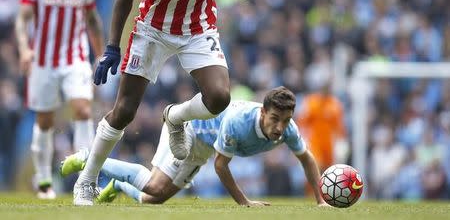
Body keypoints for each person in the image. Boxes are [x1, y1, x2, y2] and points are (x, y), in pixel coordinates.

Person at [72, 0, 259, 206]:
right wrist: (112, 47)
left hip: (198, 28)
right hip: (153, 30)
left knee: (219, 97)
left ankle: (175, 117)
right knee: (125, 111)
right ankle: (86, 181)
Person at [62, 87, 328, 206]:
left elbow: (306, 158)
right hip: (188, 129)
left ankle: (118, 185)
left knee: (154, 198)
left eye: (285, 120)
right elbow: (221, 166)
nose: (280, 127)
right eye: (275, 119)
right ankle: (88, 158)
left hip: (204, 146)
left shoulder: (288, 130)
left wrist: (320, 201)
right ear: (262, 112)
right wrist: (244, 202)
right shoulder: (238, 122)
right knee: (155, 185)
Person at [15, 0, 104, 199]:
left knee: (83, 109)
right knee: (44, 121)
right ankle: (43, 181)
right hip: (42, 60)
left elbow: (92, 20)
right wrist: (24, 50)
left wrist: (100, 53)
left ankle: (85, 181)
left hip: (76, 57)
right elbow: (22, 18)